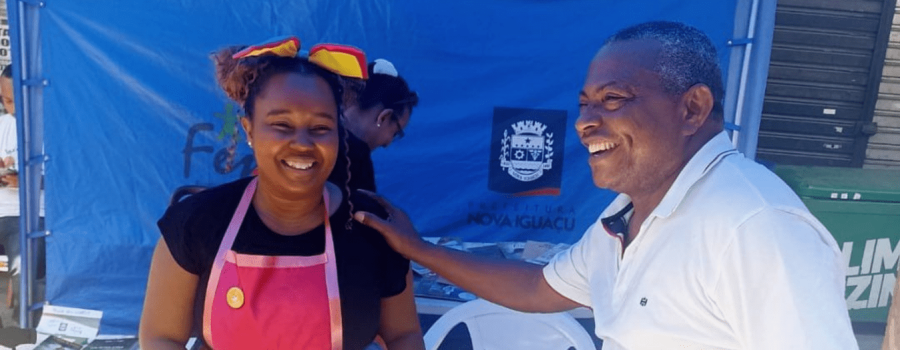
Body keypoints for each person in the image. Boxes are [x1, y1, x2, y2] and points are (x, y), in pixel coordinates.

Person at [354, 21, 858, 349]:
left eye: (613, 99)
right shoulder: (628, 216)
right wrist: (417, 248)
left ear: (693, 108)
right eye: (585, 103)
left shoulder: (755, 225)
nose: (584, 122)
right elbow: (537, 287)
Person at [139, 37, 423, 350]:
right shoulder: (195, 222)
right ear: (249, 130)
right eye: (282, 125)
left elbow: (403, 335)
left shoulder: (374, 228)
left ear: (338, 133)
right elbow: (160, 336)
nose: (302, 143)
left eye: (320, 127)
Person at [328, 58, 418, 192]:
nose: (387, 143)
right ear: (383, 117)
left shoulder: (313, 134)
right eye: (395, 133)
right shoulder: (357, 159)